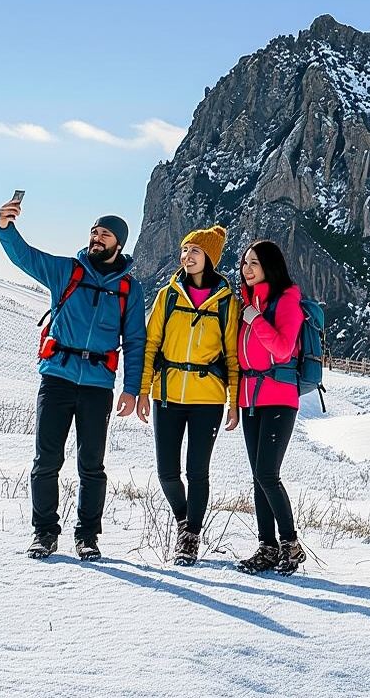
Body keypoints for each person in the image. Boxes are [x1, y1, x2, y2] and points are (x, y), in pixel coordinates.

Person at [0, 200, 145, 561]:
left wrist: (132, 388)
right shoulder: (67, 271)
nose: (96, 238)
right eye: (94, 232)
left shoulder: (129, 289)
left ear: (118, 244)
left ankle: (87, 537)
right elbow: (25, 257)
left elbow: (136, 340)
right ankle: (44, 533)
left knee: (91, 465)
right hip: (57, 378)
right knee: (46, 460)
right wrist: (5, 227)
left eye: (104, 234)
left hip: (98, 386)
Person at [133, 225, 240, 566]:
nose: (187, 256)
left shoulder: (226, 302)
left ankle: (190, 536)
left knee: (197, 471)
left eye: (194, 251)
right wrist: (143, 390)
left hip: (207, 398)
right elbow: (151, 345)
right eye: (184, 251)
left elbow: (233, 357)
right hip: (167, 395)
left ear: (209, 257)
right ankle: (185, 521)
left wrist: (233, 402)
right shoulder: (168, 296)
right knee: (166, 470)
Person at [234, 240, 308, 576]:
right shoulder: (248, 303)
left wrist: (256, 320)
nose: (247, 269)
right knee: (258, 476)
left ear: (270, 266)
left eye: (254, 263)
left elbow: (282, 349)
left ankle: (290, 544)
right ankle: (266, 547)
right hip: (250, 399)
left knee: (267, 473)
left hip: (278, 396)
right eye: (245, 263)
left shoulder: (287, 300)